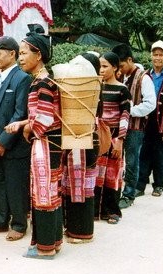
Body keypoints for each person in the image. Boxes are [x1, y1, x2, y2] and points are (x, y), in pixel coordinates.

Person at [6, 24, 63, 259]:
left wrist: (28, 128)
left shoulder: (42, 82)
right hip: (50, 144)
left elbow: (45, 118)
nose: (20, 58)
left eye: (23, 53)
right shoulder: (43, 80)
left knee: (44, 192)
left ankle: (45, 247)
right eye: (19, 54)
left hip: (46, 144)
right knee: (50, 191)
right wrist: (26, 125)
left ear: (38, 55)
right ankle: (52, 241)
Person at [0, 36, 31, 242]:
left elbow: (20, 113)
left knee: (15, 184)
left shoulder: (22, 78)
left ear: (12, 53)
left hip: (14, 144)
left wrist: (2, 142)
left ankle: (19, 224)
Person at [61, 52, 100, 243]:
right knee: (70, 186)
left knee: (84, 188)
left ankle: (83, 232)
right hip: (73, 143)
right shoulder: (73, 91)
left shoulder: (93, 91)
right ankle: (71, 227)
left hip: (86, 143)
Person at [111, 43, 156, 209]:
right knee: (117, 160)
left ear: (130, 60)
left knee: (131, 161)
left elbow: (150, 104)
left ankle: (129, 193)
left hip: (135, 128)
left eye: (122, 65)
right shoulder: (121, 77)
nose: (120, 69)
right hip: (119, 127)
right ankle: (116, 191)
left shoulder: (144, 78)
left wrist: (129, 111)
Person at [134, 40, 163, 197]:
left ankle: (159, 185)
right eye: (155, 54)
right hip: (146, 120)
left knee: (161, 155)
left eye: (161, 55)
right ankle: (140, 185)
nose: (157, 58)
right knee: (143, 153)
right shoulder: (145, 75)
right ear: (151, 56)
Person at [94, 51, 131, 224]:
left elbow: (125, 115)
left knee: (112, 174)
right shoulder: (95, 86)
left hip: (114, 137)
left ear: (115, 68)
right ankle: (95, 210)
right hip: (98, 137)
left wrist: (120, 141)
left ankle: (111, 211)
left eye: (105, 66)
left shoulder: (122, 90)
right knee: (96, 174)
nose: (101, 70)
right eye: (99, 66)